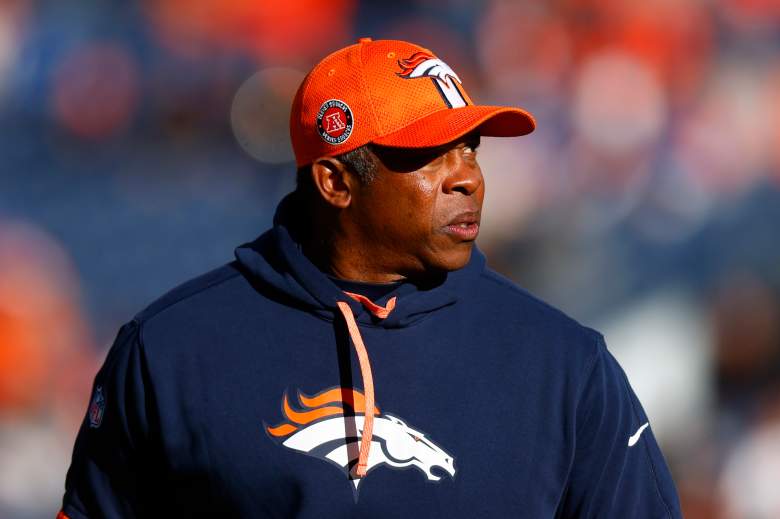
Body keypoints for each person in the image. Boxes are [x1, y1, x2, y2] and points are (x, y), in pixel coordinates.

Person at [59, 38, 682, 518]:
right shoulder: (173, 350)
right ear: (336, 182)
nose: (468, 178)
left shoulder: (565, 365)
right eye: (430, 155)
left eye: (472, 148)